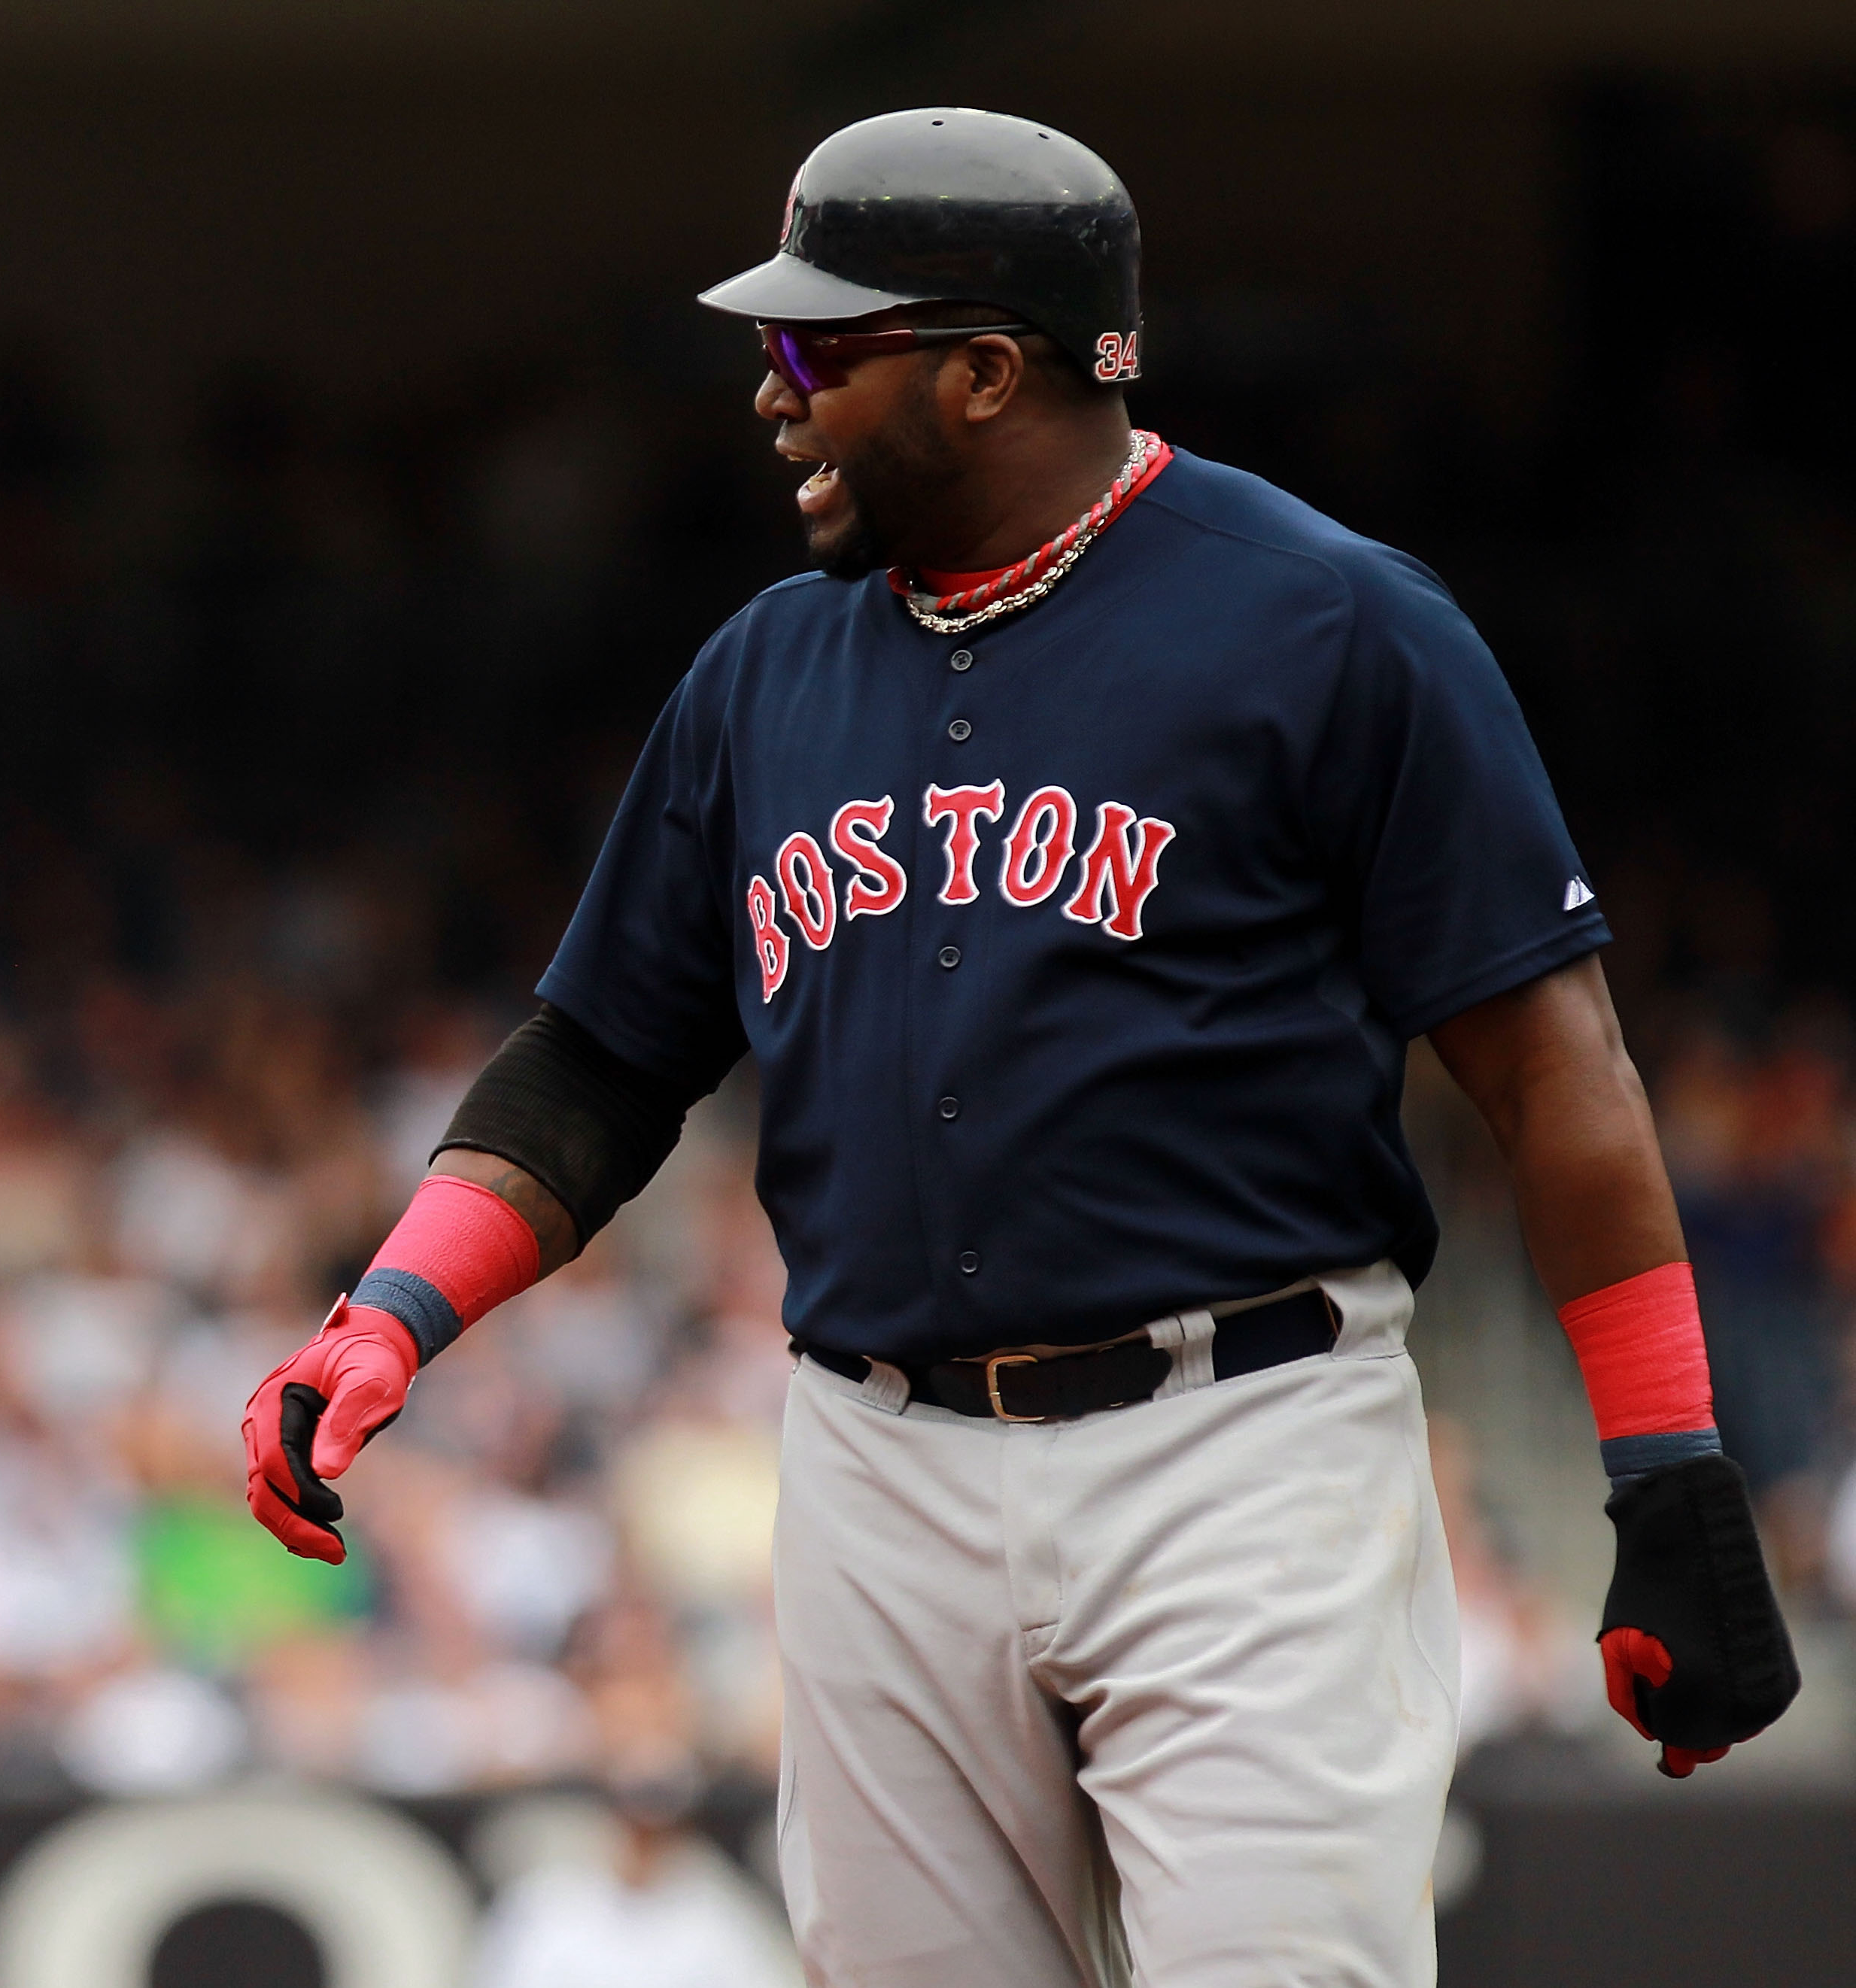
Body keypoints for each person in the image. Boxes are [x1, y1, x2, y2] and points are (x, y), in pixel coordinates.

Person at [245, 111, 1797, 1984]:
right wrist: (396, 1304)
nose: (771, 392)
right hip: (876, 1457)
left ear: (986, 370)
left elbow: (1560, 1076)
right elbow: (599, 1056)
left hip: (1242, 1440)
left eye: (817, 347)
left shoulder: (1331, 619)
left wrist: (1668, 1468)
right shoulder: (762, 670)